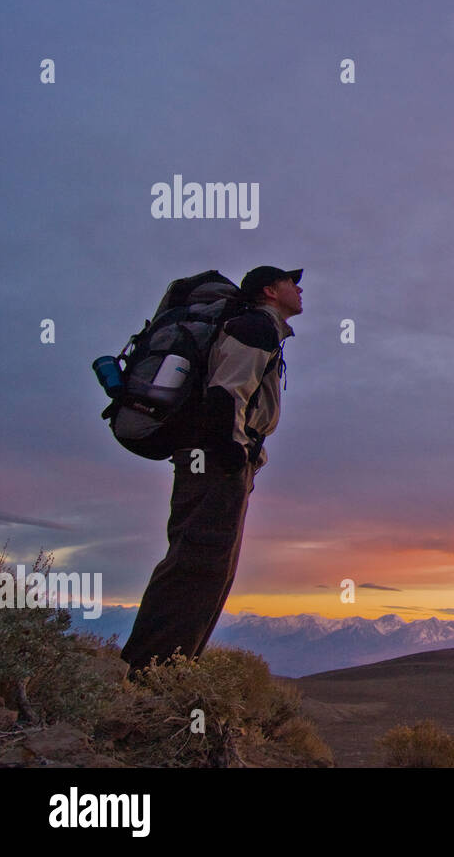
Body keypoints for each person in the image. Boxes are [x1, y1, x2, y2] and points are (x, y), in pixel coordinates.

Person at [120, 266, 303, 680]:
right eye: (292, 282)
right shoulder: (255, 326)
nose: (301, 288)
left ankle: (163, 669)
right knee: (200, 564)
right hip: (216, 462)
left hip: (210, 458)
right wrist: (233, 453)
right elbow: (226, 392)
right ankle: (152, 675)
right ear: (270, 291)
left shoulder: (255, 326)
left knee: (201, 563)